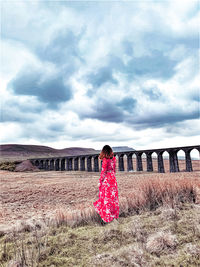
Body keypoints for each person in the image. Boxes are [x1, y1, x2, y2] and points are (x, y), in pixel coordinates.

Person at [93, 145, 119, 224]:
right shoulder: (113, 159)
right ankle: (114, 216)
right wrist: (112, 176)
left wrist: (100, 181)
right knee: (113, 198)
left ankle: (107, 217)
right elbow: (114, 170)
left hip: (107, 180)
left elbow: (103, 172)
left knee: (105, 198)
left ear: (103, 152)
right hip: (113, 179)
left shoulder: (105, 160)